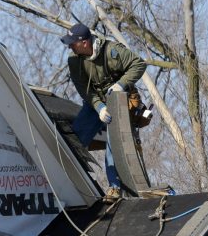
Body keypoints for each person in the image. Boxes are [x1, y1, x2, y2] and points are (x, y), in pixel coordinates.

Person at [60, 23, 147, 200]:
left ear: (84, 43)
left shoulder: (112, 51)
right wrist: (99, 107)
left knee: (112, 144)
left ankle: (115, 187)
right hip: (95, 103)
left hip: (120, 100)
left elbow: (138, 64)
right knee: (75, 140)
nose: (69, 46)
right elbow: (84, 89)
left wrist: (120, 85)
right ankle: (70, 179)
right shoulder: (74, 61)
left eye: (72, 43)